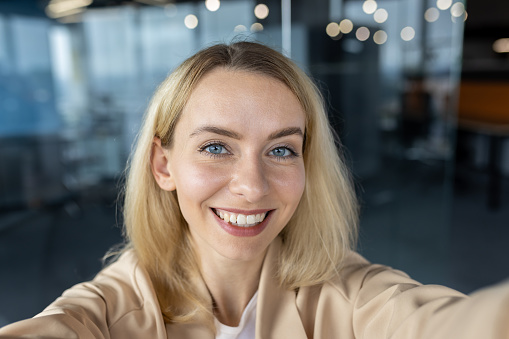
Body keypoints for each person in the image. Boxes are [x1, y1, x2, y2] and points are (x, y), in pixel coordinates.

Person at [1, 41, 508, 339]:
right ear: (163, 164)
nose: (252, 186)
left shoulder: (349, 293)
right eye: (217, 147)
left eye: (282, 150)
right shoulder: (111, 309)